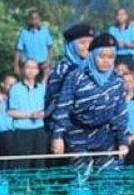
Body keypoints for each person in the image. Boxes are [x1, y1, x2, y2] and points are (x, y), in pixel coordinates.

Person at [51, 33, 129, 166]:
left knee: (108, 179)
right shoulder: (75, 77)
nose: (106, 61)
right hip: (77, 134)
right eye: (102, 56)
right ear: (92, 55)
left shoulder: (116, 81)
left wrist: (123, 142)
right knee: (82, 179)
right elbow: (63, 107)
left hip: (105, 136)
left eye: (110, 57)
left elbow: (120, 113)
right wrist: (57, 136)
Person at [7, 61, 48, 171]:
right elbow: (11, 112)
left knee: (39, 165)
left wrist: (43, 114)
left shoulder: (42, 89)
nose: (31, 70)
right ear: (23, 70)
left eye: (33, 67)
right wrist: (30, 115)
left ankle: (38, 188)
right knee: (21, 165)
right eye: (28, 67)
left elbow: (47, 110)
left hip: (40, 131)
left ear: (37, 71)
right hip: (22, 131)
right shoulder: (15, 88)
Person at [14, 9, 53, 81]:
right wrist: (16, 65)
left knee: (45, 82)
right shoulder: (24, 33)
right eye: (32, 19)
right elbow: (18, 50)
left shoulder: (45, 32)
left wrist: (48, 61)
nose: (34, 21)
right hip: (28, 64)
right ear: (29, 20)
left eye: (36, 18)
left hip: (43, 64)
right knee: (28, 83)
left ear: (39, 19)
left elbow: (50, 48)